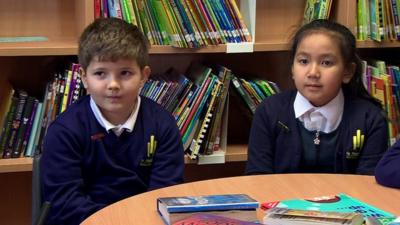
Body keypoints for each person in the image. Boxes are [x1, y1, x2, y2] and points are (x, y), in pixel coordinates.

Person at [40, 18, 184, 225]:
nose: (113, 85)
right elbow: (65, 204)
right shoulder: (64, 131)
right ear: (84, 77)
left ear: (144, 76)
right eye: (100, 73)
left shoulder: (163, 125)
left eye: (125, 73)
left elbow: (165, 194)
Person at [246, 19, 388, 175]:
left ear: (347, 71)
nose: (313, 72)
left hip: (350, 199)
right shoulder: (269, 111)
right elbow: (257, 177)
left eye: (326, 63)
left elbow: (368, 184)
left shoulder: (370, 119)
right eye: (303, 61)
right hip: (280, 199)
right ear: (293, 68)